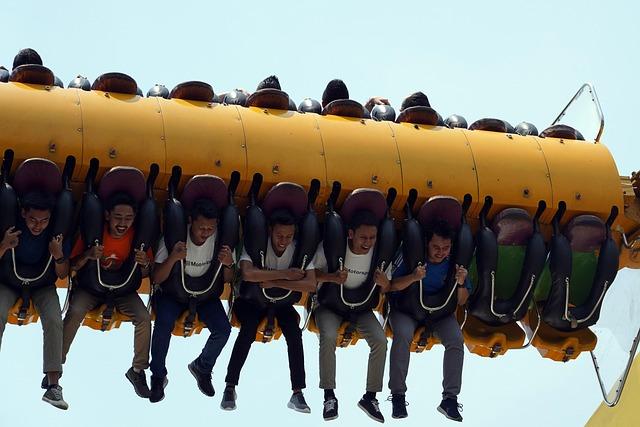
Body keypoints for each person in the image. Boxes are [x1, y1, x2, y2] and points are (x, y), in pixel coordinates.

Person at [221, 208, 316, 413]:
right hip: (252, 301)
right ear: (270, 230)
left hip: (282, 303)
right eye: (280, 235)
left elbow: (310, 285)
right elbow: (248, 274)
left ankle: (297, 392)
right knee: (248, 329)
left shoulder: (299, 249)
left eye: (289, 236)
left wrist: (278, 280)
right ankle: (230, 387)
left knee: (294, 332)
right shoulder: (256, 244)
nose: (283, 241)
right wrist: (288, 275)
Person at [61, 192, 153, 398]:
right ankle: (56, 363)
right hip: (91, 288)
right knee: (75, 310)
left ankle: (138, 371)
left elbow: (148, 273)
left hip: (123, 290)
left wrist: (144, 263)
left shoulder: (137, 238)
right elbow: (73, 266)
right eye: (118, 217)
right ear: (107, 215)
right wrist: (88, 255)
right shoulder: (94, 234)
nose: (123, 223)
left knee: (144, 318)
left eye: (128, 218)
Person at [149, 198, 234, 403]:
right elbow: (156, 278)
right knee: (163, 324)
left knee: (223, 329)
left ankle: (202, 367)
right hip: (174, 294)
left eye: (210, 229)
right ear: (190, 222)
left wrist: (229, 264)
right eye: (201, 228)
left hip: (205, 296)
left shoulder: (219, 242)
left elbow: (229, 279)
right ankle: (158, 376)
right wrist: (173, 258)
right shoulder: (175, 239)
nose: (205, 233)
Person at [388, 220, 470, 421]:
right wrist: (413, 277)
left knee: (456, 340)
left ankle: (449, 399)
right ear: (426, 244)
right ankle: (398, 395)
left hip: (439, 313)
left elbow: (461, 300)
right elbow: (390, 286)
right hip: (407, 309)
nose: (440, 252)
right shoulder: (409, 256)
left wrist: (460, 283)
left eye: (445, 248)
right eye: (436, 247)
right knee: (403, 335)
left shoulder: (454, 264)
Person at [313, 209, 391, 423]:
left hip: (361, 307)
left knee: (380, 341)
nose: (368, 242)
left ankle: (370, 397)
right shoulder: (332, 248)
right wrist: (331, 277)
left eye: (372, 238)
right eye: (363, 237)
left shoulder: (378, 254)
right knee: (328, 336)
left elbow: (387, 286)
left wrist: (385, 284)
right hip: (331, 305)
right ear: (350, 235)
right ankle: (329, 396)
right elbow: (311, 273)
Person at [0, 191, 70, 409]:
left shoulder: (55, 235)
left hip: (42, 285)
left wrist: (58, 255)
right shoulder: (10, 228)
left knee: (53, 319)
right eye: (33, 220)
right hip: (8, 282)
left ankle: (53, 387)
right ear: (23, 213)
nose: (38, 226)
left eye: (44, 221)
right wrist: (3, 246)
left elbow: (62, 274)